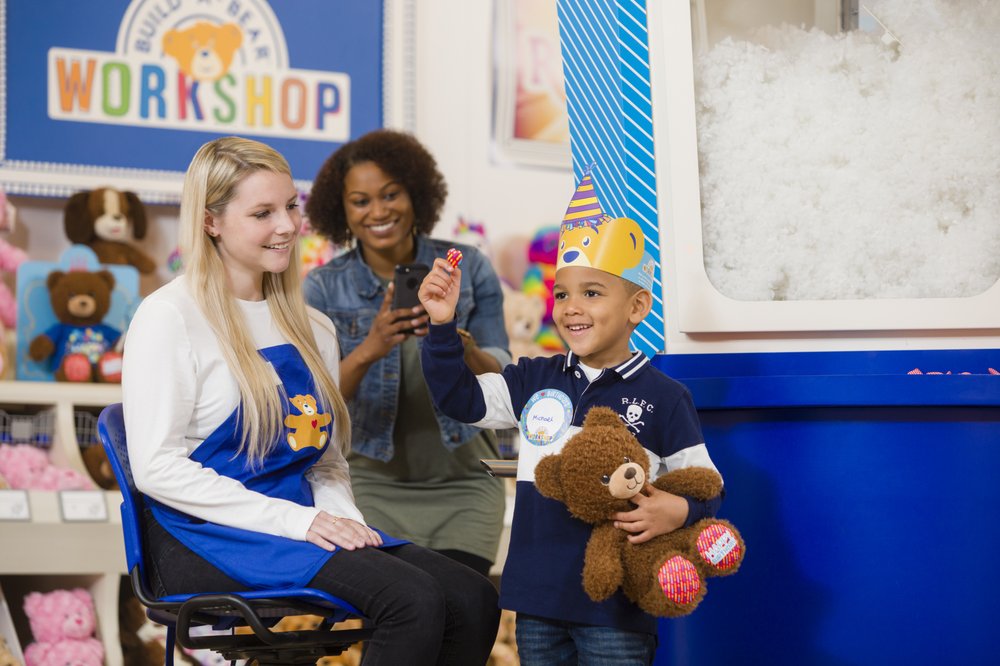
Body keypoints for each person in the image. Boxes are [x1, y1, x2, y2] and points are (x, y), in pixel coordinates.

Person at [121, 136, 499, 665]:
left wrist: (343, 519)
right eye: (262, 213)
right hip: (203, 534)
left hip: (297, 526)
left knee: (472, 597)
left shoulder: (313, 327)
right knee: (410, 601)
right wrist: (301, 523)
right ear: (211, 221)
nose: (287, 226)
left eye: (290, 207)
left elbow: (325, 461)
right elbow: (156, 468)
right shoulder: (168, 317)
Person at [417, 166, 724, 664]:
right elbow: (461, 400)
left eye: (592, 293)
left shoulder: (665, 397)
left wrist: (678, 511)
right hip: (535, 602)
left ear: (637, 307)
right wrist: (442, 326)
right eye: (562, 294)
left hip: (617, 609)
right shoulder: (533, 378)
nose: (571, 307)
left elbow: (708, 488)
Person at [303, 129, 510, 578]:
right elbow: (315, 402)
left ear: (416, 194)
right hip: (372, 486)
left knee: (462, 604)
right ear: (342, 210)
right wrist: (370, 348)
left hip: (466, 486)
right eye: (360, 201)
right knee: (399, 607)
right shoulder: (322, 287)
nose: (378, 211)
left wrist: (460, 344)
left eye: (391, 194)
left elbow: (503, 375)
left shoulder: (467, 267)